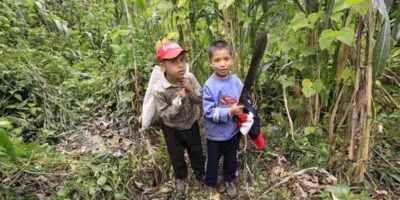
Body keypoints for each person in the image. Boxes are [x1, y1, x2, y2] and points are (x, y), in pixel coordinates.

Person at [151, 40, 205, 195]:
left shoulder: (190, 78)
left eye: (182, 60)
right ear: (163, 66)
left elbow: (200, 100)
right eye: (174, 62)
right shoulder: (160, 89)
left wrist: (191, 90)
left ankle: (200, 174)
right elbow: (164, 114)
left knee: (196, 151)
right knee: (176, 155)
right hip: (172, 128)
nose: (181, 66)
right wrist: (179, 100)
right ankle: (181, 177)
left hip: (191, 122)